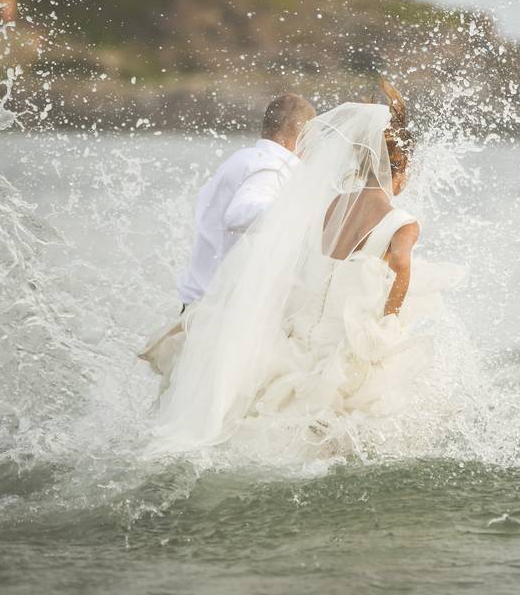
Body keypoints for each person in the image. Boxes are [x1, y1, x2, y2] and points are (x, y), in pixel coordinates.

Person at [150, 80, 455, 458]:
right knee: (365, 417)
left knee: (291, 410)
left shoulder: (330, 206)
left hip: (303, 334)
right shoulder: (403, 222)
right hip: (352, 339)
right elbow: (403, 267)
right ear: (402, 169)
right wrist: (389, 321)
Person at [138, 94, 316, 393]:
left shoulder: (243, 158)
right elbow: (240, 213)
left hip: (200, 305)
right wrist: (304, 213)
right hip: (223, 315)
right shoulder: (274, 167)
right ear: (302, 135)